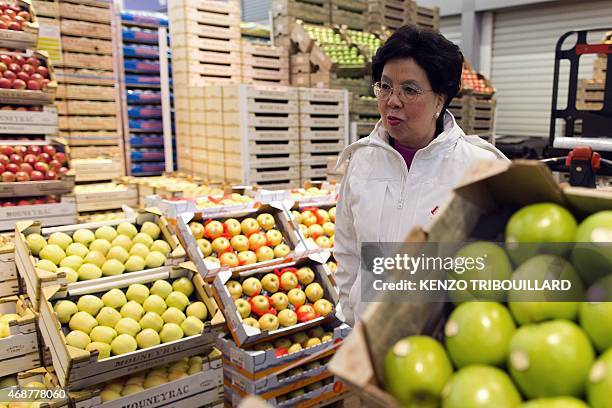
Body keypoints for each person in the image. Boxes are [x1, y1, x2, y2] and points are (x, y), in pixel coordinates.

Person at [334, 25, 508, 326]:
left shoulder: (480, 168)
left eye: (409, 90)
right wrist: (351, 312)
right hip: (368, 336)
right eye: (385, 86)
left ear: (440, 101)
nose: (392, 101)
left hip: (440, 344)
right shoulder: (362, 160)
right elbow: (348, 248)